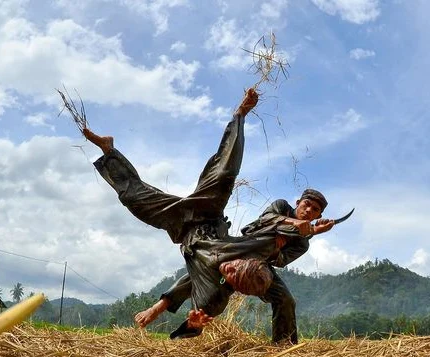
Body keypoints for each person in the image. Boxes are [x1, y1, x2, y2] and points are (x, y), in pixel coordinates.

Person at [83, 88, 297, 339]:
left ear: (232, 285)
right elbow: (269, 237)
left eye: (228, 275)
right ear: (246, 261)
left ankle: (109, 151)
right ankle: (240, 114)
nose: (227, 267)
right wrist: (303, 228)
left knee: (136, 200)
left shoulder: (214, 295)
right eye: (234, 267)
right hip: (208, 212)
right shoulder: (249, 250)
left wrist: (194, 325)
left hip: (182, 227)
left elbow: (191, 319)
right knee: (224, 173)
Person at [136, 189, 335, 343]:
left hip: (260, 267)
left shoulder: (303, 242)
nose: (308, 210)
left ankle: (283, 345)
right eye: (306, 204)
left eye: (315, 210)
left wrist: (277, 248)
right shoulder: (281, 207)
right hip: (240, 250)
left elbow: (281, 261)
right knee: (207, 269)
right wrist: (294, 225)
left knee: (286, 300)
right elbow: (267, 219)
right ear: (298, 202)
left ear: (317, 216)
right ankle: (161, 309)